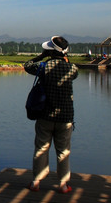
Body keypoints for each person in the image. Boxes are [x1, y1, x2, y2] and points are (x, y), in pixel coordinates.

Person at [24, 36, 79, 194]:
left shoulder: (43, 67)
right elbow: (74, 73)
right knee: (63, 151)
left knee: (41, 147)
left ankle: (36, 182)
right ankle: (63, 184)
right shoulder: (72, 69)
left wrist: (41, 56)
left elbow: (27, 66)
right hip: (65, 117)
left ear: (50, 51)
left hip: (45, 116)